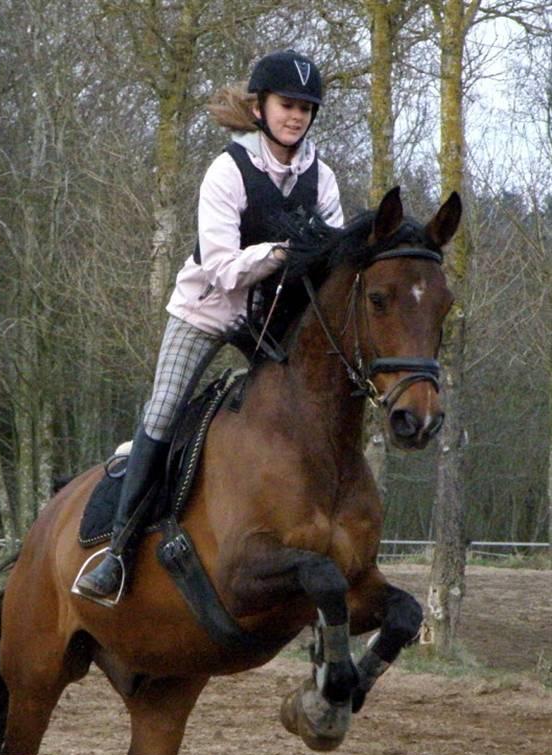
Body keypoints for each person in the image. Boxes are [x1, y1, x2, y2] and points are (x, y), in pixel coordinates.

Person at [75, 50, 344, 602]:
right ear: (262, 107)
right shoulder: (228, 170)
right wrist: (282, 251)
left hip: (274, 320)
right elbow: (222, 269)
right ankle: (117, 553)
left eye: (306, 109)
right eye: (287, 105)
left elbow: (334, 257)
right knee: (165, 408)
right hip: (208, 309)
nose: (297, 116)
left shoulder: (323, 177)